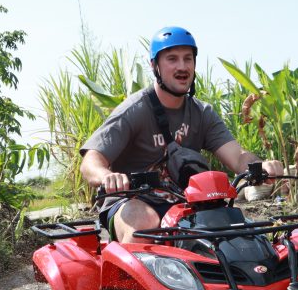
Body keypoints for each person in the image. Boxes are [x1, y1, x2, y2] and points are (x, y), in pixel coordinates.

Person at [79, 26, 284, 243]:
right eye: (172, 59)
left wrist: (260, 166)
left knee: (236, 233)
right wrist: (107, 177)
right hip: (131, 203)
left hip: (185, 203)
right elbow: (90, 162)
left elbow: (238, 156)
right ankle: (126, 277)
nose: (182, 66)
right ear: (154, 66)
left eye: (188, 59)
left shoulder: (202, 113)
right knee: (145, 223)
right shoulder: (134, 110)